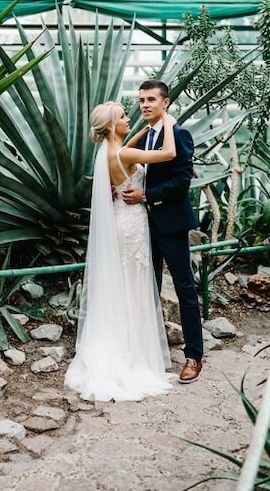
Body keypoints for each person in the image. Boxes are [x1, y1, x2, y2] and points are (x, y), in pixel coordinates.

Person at [64, 101, 178, 402]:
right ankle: (133, 355)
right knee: (133, 286)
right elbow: (168, 153)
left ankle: (122, 346)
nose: (130, 118)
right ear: (113, 125)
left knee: (123, 285)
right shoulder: (124, 154)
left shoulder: (107, 153)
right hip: (132, 224)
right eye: (124, 117)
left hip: (119, 219)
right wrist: (165, 122)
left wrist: (142, 130)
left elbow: (126, 147)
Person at [121, 80, 203, 384]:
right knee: (147, 289)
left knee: (184, 290)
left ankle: (193, 356)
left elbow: (182, 181)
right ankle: (147, 354)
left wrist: (146, 195)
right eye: (141, 100)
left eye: (151, 99)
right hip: (143, 225)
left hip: (171, 224)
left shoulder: (179, 134)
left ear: (165, 103)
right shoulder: (146, 136)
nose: (145, 105)